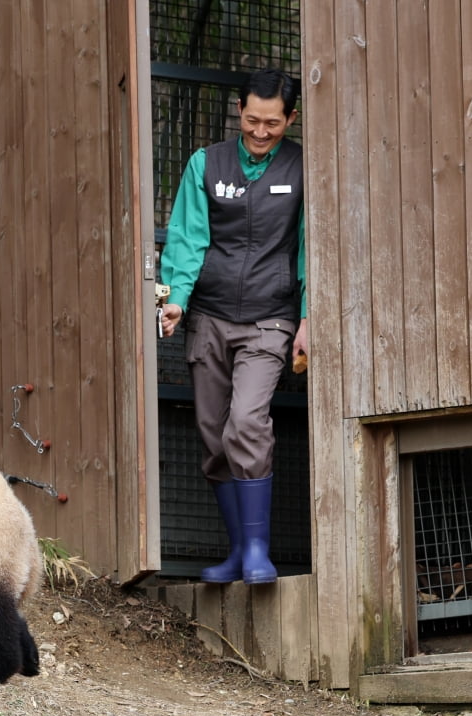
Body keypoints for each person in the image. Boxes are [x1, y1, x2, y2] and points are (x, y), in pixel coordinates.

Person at [158, 68, 307, 585]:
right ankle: (240, 551)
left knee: (246, 421)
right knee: (212, 432)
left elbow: (312, 245)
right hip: (210, 315)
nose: (260, 132)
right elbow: (187, 237)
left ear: (291, 117)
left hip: (270, 317)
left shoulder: (304, 167)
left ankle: (260, 550)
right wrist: (176, 299)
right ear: (238, 111)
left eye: (272, 123)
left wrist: (307, 315)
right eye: (251, 120)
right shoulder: (207, 164)